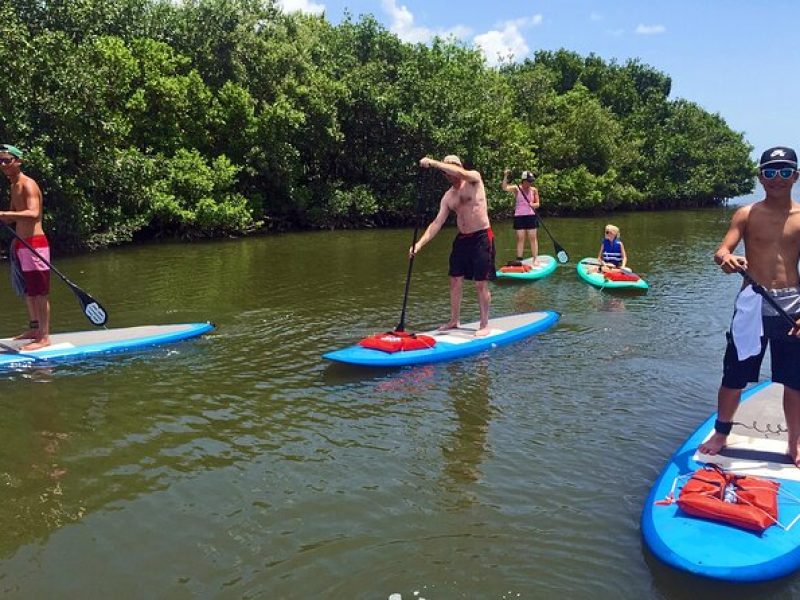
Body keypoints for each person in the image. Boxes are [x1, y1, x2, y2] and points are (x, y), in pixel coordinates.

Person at [699, 146, 800, 466]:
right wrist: (726, 258)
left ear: (795, 177)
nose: (777, 179)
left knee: (795, 381)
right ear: (760, 177)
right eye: (770, 172)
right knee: (734, 376)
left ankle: (794, 444)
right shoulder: (746, 213)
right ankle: (721, 432)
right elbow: (722, 250)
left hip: (792, 307)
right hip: (752, 305)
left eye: (785, 172)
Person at [411, 155, 495, 337]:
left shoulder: (473, 178)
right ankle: (454, 320)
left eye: (451, 168)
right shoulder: (448, 196)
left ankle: (484, 324)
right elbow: (436, 223)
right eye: (445, 171)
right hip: (463, 239)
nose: (449, 173)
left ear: (459, 166)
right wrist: (418, 244)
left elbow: (460, 173)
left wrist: (433, 163)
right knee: (455, 279)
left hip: (482, 236)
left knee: (480, 283)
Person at [0, 143, 51, 350]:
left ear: (18, 161)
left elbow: (33, 213)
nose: (3, 165)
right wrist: (6, 217)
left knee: (39, 292)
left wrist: (5, 215)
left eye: (7, 160)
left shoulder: (28, 184)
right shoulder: (14, 186)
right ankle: (34, 328)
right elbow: (13, 217)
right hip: (20, 245)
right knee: (29, 291)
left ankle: (44, 337)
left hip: (35, 245)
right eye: (0, 161)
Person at [501, 169, 540, 265]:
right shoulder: (516, 188)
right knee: (520, 238)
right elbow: (504, 187)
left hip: (531, 216)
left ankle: (535, 259)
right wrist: (506, 176)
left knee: (532, 237)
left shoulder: (534, 190)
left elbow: (538, 204)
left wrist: (533, 205)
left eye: (531, 181)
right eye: (528, 181)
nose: (530, 183)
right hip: (519, 216)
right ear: (523, 180)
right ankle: (519, 259)